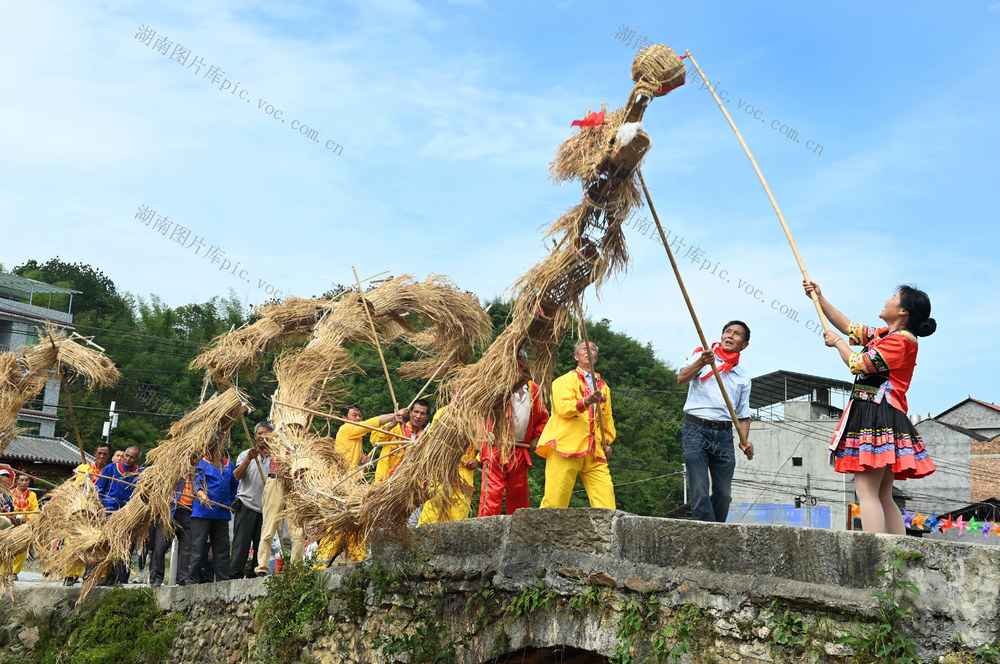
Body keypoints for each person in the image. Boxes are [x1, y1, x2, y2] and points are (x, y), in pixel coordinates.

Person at [804, 281, 936, 534]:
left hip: (876, 413)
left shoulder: (902, 341)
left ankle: (876, 553)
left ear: (903, 311)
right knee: (882, 494)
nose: (887, 300)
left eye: (894, 297)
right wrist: (819, 298)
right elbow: (847, 325)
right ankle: (897, 553)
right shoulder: (884, 336)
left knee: (866, 491)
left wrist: (839, 344)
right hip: (884, 414)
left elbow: (859, 364)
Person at [678, 321, 754, 523]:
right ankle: (708, 534)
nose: (730, 336)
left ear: (744, 344)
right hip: (695, 430)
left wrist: (745, 441)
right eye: (727, 332)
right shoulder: (702, 356)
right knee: (700, 491)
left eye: (737, 334)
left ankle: (715, 531)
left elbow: (744, 416)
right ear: (721, 337)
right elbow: (682, 378)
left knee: (724, 495)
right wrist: (702, 362)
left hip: (723, 435)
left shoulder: (743, 377)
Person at [537, 341, 616, 509]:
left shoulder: (604, 388)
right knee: (555, 501)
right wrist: (586, 401)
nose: (589, 351)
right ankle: (544, 534)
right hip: (566, 446)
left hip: (595, 451)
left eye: (593, 348)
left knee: (607, 503)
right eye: (584, 349)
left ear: (596, 357)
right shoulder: (563, 381)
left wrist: (607, 443)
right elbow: (563, 408)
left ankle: (607, 534)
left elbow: (607, 420)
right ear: (576, 356)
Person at [478, 350, 549, 516]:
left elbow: (543, 418)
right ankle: (487, 535)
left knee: (519, 496)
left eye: (520, 362)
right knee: (492, 495)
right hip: (495, 448)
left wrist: (537, 437)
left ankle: (517, 536)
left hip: (519, 450)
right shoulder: (494, 385)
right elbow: (480, 411)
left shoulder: (533, 389)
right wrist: (488, 431)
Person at [417, 406, 479, 524]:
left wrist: (478, 459)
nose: (458, 395)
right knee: (430, 515)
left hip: (464, 475)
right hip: (441, 472)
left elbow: (489, 441)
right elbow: (431, 439)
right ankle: (422, 540)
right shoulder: (443, 412)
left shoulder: (477, 414)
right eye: (454, 391)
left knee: (458, 519)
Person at [229, 422, 272, 579]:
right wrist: (249, 459)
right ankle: (235, 576)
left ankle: (256, 575)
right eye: (259, 433)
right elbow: (236, 476)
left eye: (266, 433)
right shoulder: (245, 454)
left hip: (266, 508)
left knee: (261, 544)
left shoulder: (275, 457)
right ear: (255, 436)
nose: (262, 436)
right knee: (241, 544)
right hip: (246, 505)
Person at [96, 445, 143, 584]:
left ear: (138, 459)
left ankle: (121, 579)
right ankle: (104, 576)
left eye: (132, 457)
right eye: (126, 455)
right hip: (109, 512)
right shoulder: (110, 468)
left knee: (126, 547)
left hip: (129, 516)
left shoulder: (141, 474)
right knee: (107, 545)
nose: (128, 459)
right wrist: (101, 506)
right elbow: (99, 488)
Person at [189, 455, 238, 583]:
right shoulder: (201, 463)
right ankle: (193, 579)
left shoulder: (228, 464)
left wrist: (232, 502)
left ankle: (223, 579)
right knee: (198, 547)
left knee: (222, 548)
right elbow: (195, 483)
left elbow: (234, 485)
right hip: (203, 512)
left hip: (221, 512)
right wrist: (202, 495)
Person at [148, 472, 195, 587]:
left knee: (187, 547)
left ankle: (183, 578)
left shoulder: (199, 470)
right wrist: (165, 497)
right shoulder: (172, 467)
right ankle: (156, 578)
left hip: (190, 511)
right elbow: (155, 487)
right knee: (161, 546)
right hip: (170, 511)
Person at [373, 401, 429, 482]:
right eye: (416, 412)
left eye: (422, 413)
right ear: (410, 413)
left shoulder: (425, 439)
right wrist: (392, 424)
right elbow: (375, 440)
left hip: (407, 484)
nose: (418, 416)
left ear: (427, 416)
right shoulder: (396, 427)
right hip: (384, 480)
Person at [1, 472, 39, 581]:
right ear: (17, 481)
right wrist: (10, 517)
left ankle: (14, 573)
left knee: (21, 549)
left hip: (25, 526)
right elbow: (6, 509)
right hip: (10, 525)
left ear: (29, 482)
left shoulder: (32, 495)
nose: (24, 483)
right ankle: (3, 571)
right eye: (21, 480)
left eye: (26, 480)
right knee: (6, 548)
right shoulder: (10, 493)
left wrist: (26, 520)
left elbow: (35, 511)